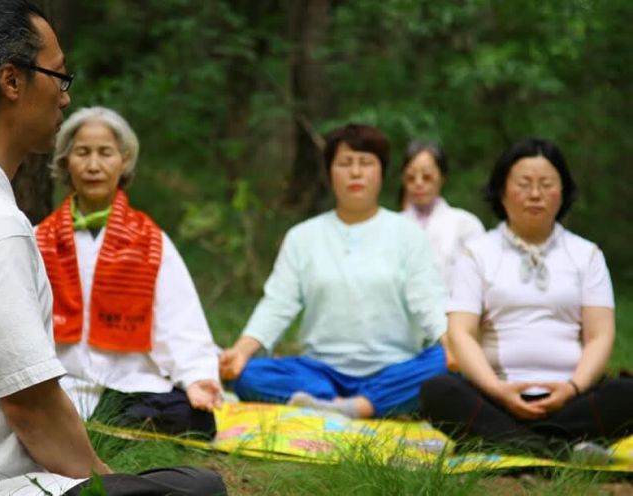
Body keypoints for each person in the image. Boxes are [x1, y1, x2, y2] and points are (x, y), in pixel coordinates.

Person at [0, 1, 225, 495]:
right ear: (11, 82)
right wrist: (109, 485)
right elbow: (32, 408)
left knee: (189, 479)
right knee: (200, 490)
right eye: (58, 76)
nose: (64, 98)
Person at [420, 138, 633, 460]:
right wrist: (498, 391)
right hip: (495, 394)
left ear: (562, 192)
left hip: (572, 398)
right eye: (524, 184)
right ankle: (559, 449)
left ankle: (503, 440)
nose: (535, 194)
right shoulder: (477, 253)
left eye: (546, 184)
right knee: (437, 391)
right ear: (502, 191)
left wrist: (572, 389)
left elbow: (600, 335)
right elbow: (461, 334)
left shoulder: (586, 254)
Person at [219, 123, 451, 419]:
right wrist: (240, 350)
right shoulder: (302, 236)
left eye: (366, 163)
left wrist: (450, 345)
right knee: (247, 373)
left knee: (447, 363)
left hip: (394, 367)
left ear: (382, 172)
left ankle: (354, 405)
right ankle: (351, 403)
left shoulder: (408, 235)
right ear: (330, 173)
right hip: (319, 371)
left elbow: (427, 300)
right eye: (345, 163)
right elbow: (278, 302)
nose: (355, 173)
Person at [35, 106, 222, 439]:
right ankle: (94, 429)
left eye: (105, 153)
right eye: (82, 153)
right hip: (61, 380)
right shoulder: (40, 238)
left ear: (124, 161)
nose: (93, 165)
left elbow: (179, 319)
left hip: (130, 384)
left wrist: (197, 377)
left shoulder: (149, 239)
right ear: (65, 162)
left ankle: (97, 430)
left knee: (196, 419)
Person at [400, 140, 484, 285]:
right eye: (411, 177)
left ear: (442, 177)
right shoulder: (392, 226)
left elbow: (481, 277)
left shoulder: (466, 225)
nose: (418, 183)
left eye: (427, 177)